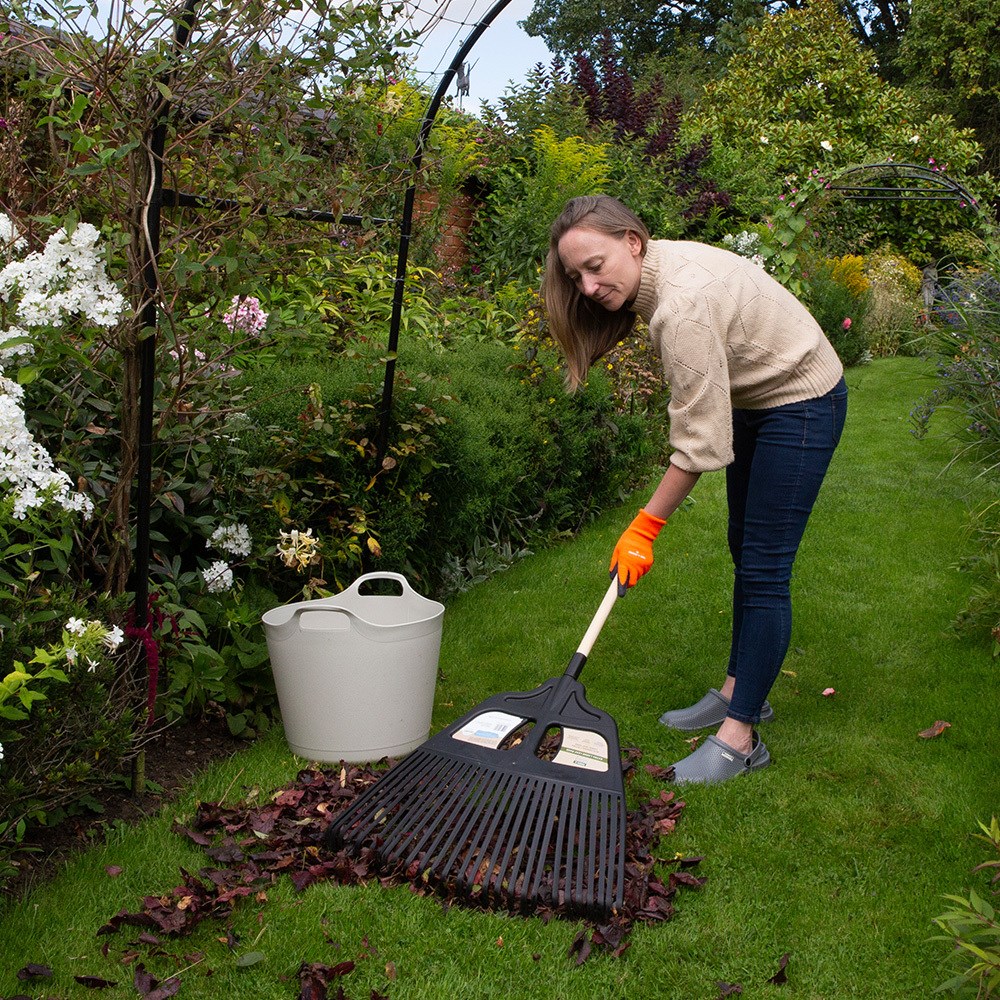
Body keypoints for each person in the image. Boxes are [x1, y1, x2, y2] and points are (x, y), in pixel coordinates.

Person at [542, 194, 848, 785]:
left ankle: (739, 739)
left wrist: (645, 527)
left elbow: (700, 444)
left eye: (595, 266)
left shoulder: (683, 305)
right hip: (758, 397)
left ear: (633, 242)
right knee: (744, 547)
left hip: (802, 399)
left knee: (765, 567)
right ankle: (741, 690)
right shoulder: (661, 275)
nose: (587, 287)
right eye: (576, 276)